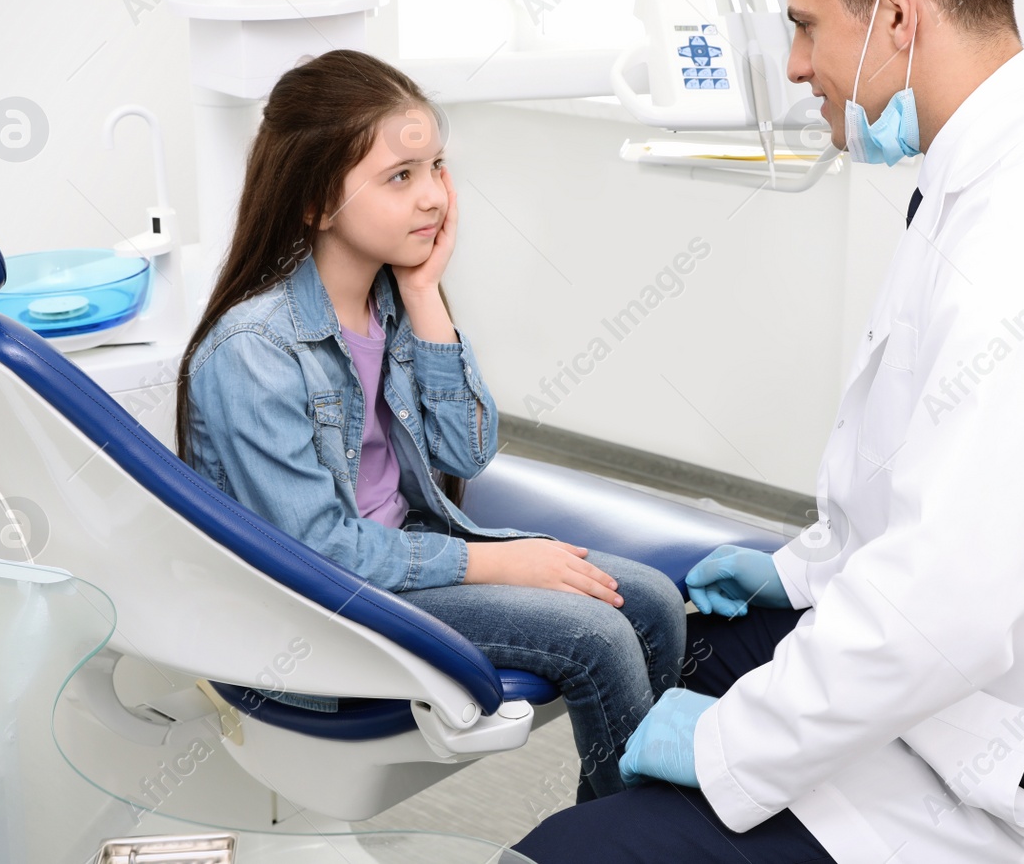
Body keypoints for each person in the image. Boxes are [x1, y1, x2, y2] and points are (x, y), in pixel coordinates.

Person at [515, 0, 1024, 864]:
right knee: (675, 643)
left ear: (895, 14)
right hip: (969, 676)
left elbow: (951, 594)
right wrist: (802, 572)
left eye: (805, 27)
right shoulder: (972, 184)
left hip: (1021, 760)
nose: (795, 64)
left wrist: (729, 743)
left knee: (558, 852)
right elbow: (922, 487)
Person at [175, 49, 685, 802]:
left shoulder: (390, 301)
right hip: (326, 609)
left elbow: (467, 450)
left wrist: (425, 295)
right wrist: (501, 564)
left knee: (653, 602)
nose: (434, 198)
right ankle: (620, 842)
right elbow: (321, 553)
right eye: (399, 176)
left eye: (436, 166)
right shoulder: (254, 352)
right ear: (316, 202)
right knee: (599, 635)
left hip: (399, 557)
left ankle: (636, 832)